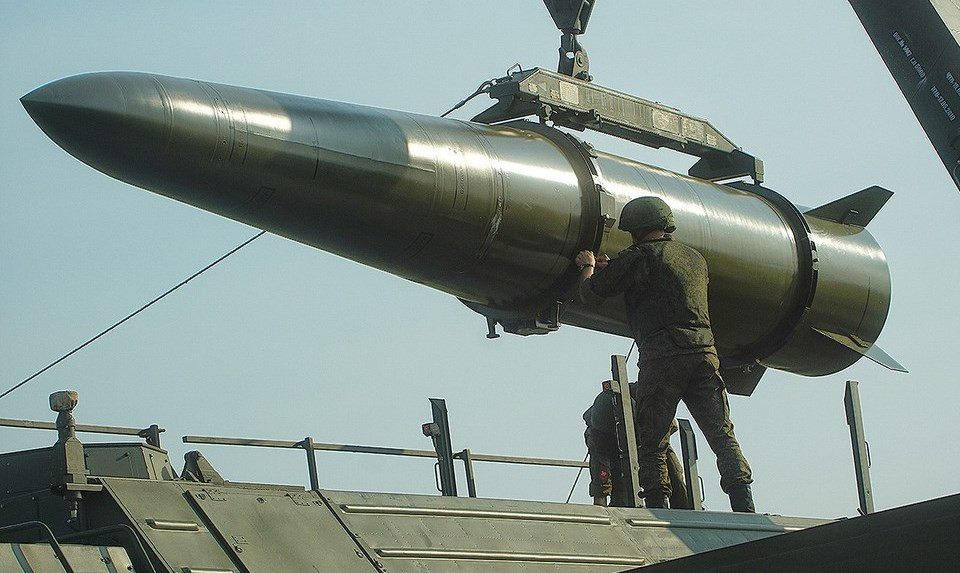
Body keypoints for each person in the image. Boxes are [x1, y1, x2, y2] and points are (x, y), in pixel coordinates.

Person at [575, 196, 754, 512]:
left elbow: (591, 293)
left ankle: (658, 504)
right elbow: (664, 279)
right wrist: (616, 267)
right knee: (722, 435)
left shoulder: (637, 257)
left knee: (652, 442)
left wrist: (588, 268)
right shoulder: (694, 258)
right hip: (704, 355)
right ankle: (743, 503)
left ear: (636, 229)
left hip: (662, 360)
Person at [583, 384, 691, 509]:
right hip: (614, 445)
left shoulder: (649, 404)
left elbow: (670, 429)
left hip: (649, 436)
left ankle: (682, 508)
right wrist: (601, 511)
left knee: (674, 477)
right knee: (622, 498)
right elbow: (600, 483)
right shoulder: (600, 437)